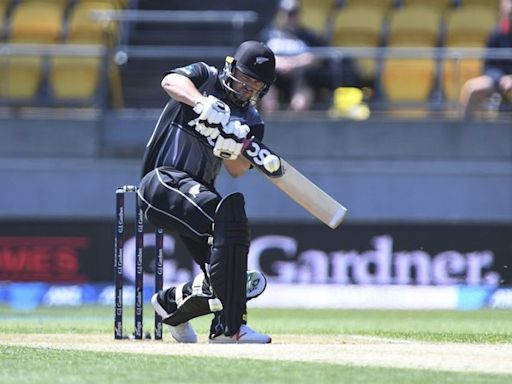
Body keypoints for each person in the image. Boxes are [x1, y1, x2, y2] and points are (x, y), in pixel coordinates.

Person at [137, 41, 280, 344]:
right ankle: (231, 329)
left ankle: (174, 305)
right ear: (231, 67)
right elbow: (170, 81)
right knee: (226, 216)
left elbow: (238, 170)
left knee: (226, 278)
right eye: (244, 77)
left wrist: (231, 148)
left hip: (198, 198)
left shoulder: (252, 121)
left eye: (255, 84)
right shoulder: (205, 77)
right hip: (161, 182)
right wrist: (201, 103)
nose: (246, 87)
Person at [259, 0, 328, 113]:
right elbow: (259, 56)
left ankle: (296, 125)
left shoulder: (309, 36)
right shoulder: (268, 34)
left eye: (292, 13)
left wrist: (293, 63)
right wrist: (279, 63)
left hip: (301, 77)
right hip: (274, 75)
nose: (288, 17)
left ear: (298, 14)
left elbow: (318, 59)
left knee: (299, 104)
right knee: (268, 97)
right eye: (285, 12)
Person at [459, 0, 512, 119]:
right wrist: (501, 79)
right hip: (499, 80)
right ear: (502, 12)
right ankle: (465, 133)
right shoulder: (496, 34)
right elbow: (488, 66)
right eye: (509, 13)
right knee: (471, 88)